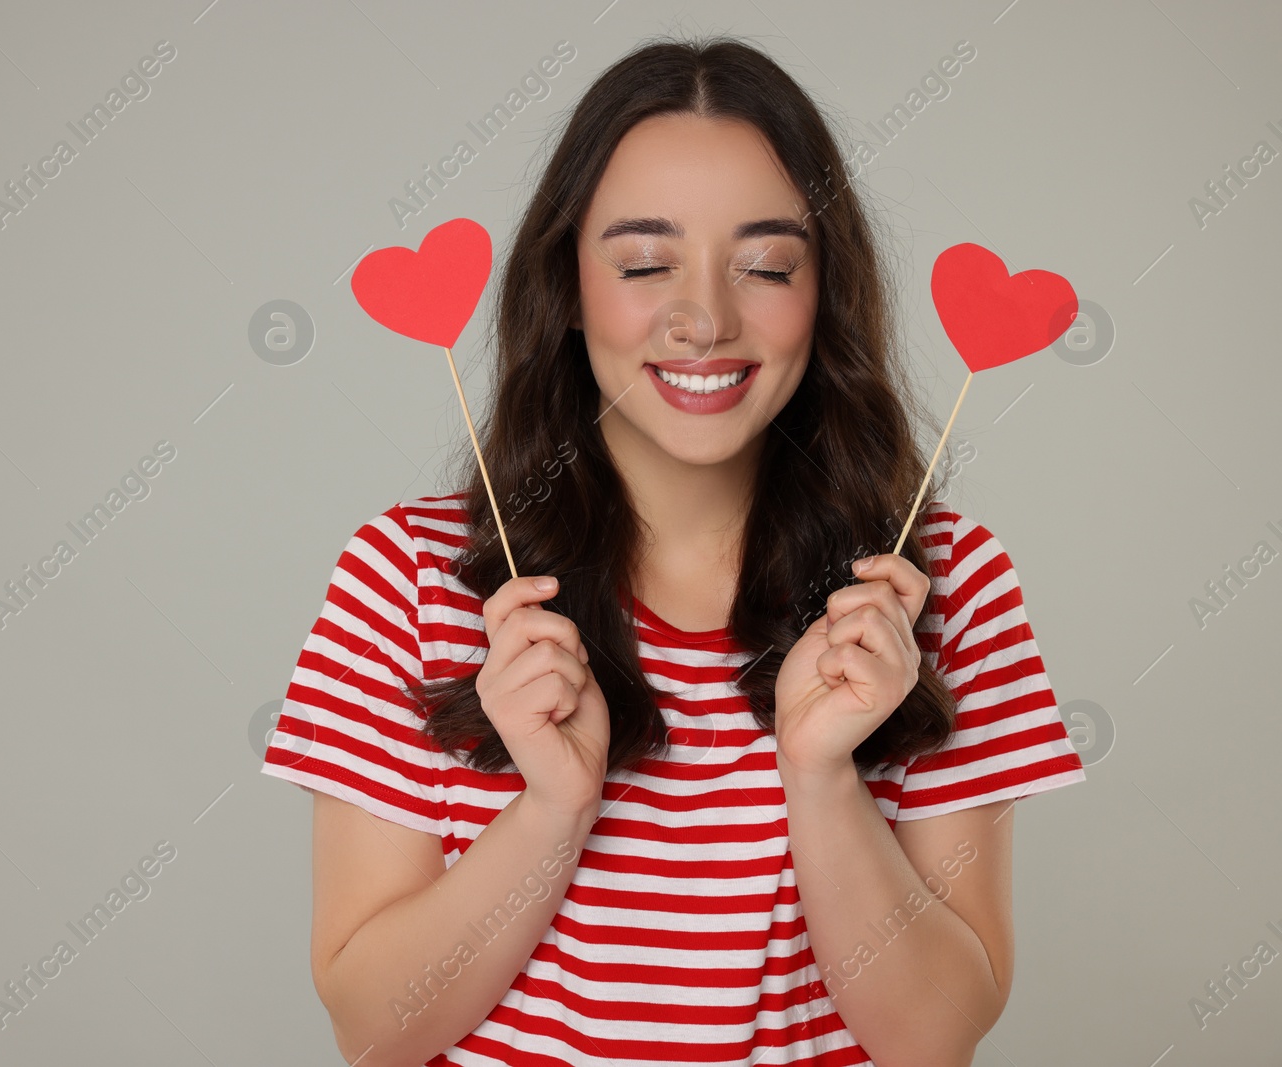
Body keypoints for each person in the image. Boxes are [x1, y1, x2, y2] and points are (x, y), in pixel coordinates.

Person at [261, 33, 1086, 1067]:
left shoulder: (935, 588)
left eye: (767, 265)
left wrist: (822, 775)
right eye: (645, 263)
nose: (703, 319)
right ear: (565, 282)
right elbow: (374, 1029)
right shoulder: (410, 576)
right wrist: (553, 807)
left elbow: (934, 1038)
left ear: (824, 289)